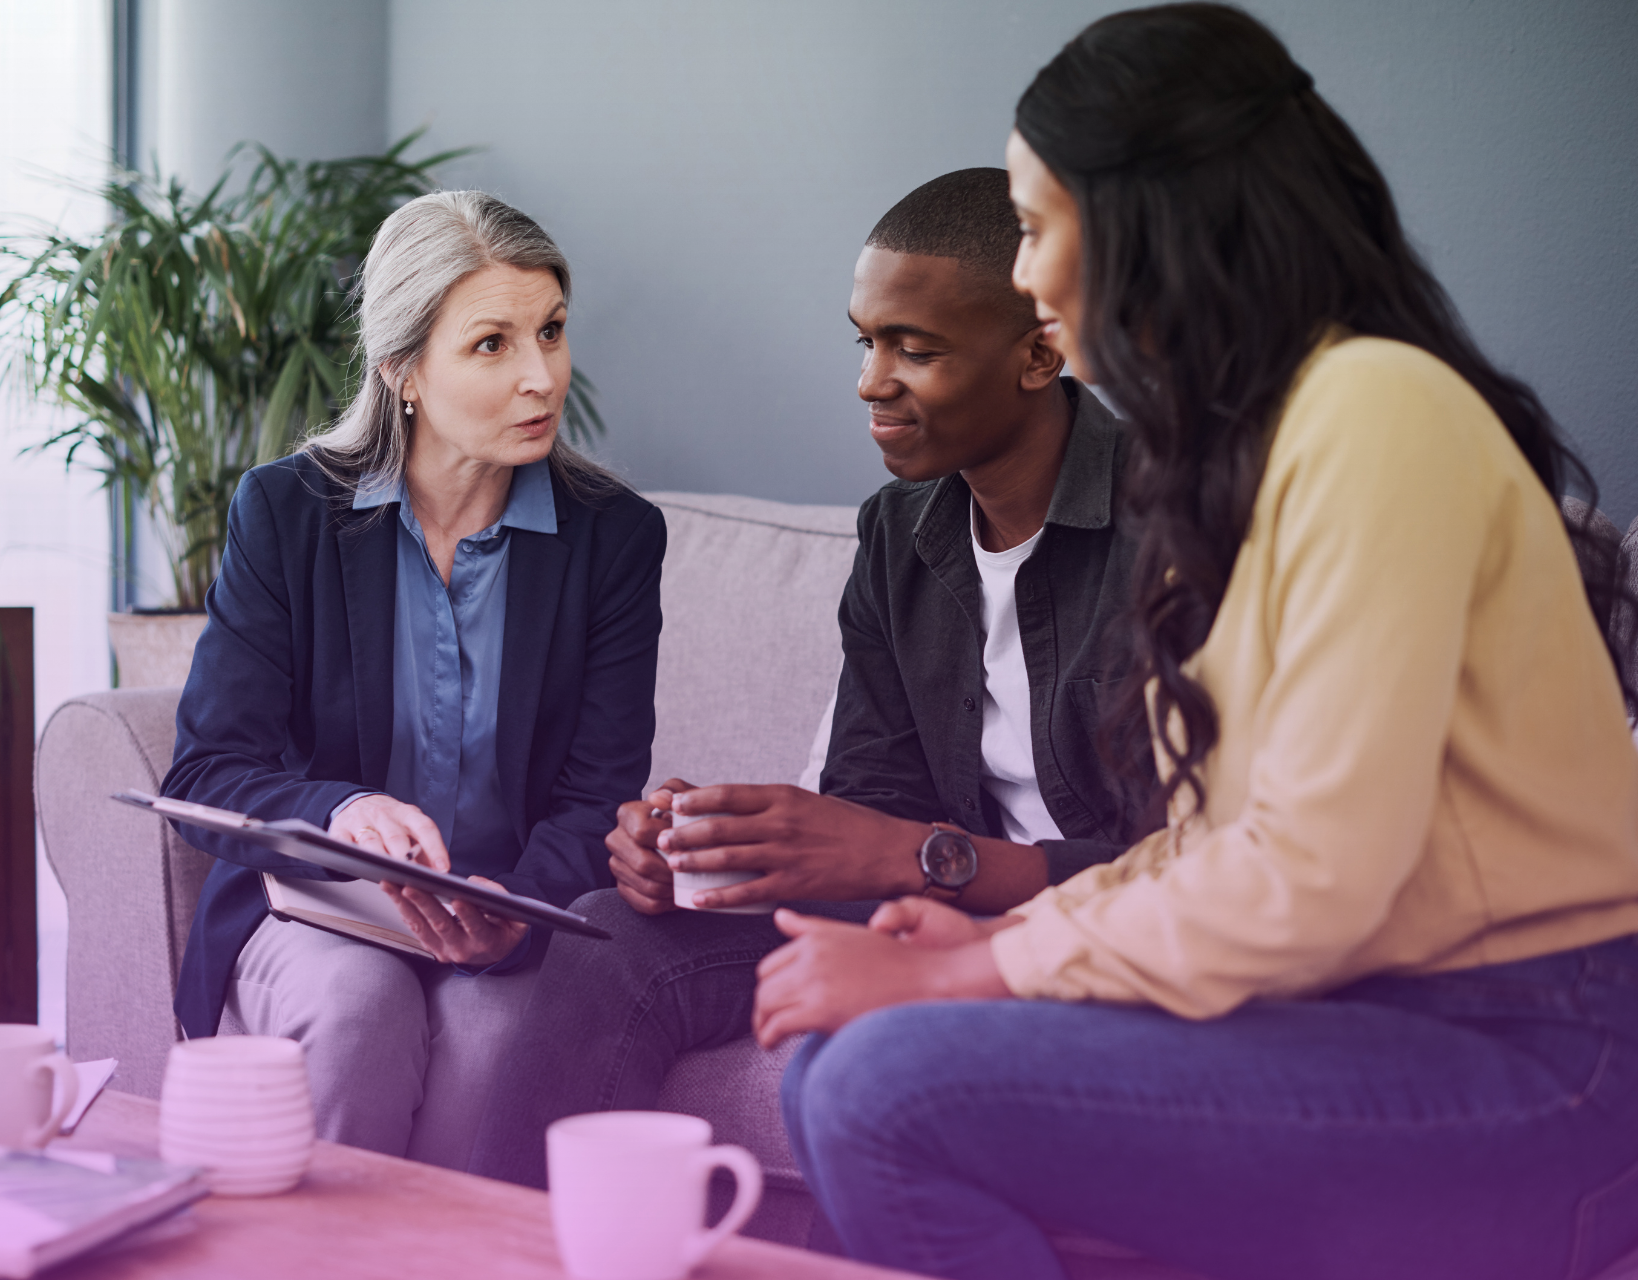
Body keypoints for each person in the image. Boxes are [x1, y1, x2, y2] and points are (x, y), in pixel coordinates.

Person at [758, 7, 1638, 1279]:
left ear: (1149, 222)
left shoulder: (1375, 410)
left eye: (1041, 226)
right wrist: (994, 948)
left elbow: (1317, 872)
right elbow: (1219, 846)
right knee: (836, 1060)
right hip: (1363, 1015)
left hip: (1537, 1052)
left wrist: (981, 978)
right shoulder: (1244, 452)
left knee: (880, 1082)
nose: (1034, 277)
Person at [471, 168, 1154, 1188]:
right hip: (932, 897)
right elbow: (872, 800)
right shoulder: (900, 532)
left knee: (873, 1053)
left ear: (1038, 352)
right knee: (622, 927)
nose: (871, 381)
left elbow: (1193, 861)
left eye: (912, 348)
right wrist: (714, 854)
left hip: (1099, 928)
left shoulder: (1175, 525)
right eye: (866, 341)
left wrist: (921, 858)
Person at [162, 190, 665, 1170]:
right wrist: (340, 808)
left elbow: (596, 797)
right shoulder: (286, 512)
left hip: (510, 906)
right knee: (359, 1006)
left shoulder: (614, 536)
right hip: (317, 903)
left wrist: (507, 912)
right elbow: (204, 774)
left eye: (552, 332)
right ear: (402, 370)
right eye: (492, 344)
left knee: (497, 1043)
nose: (541, 376)